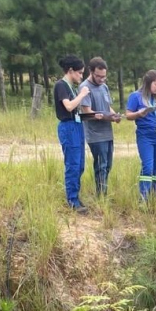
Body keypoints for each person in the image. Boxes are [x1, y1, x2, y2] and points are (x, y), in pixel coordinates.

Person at [125, 70, 156, 202]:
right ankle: (143, 198)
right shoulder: (135, 96)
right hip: (145, 136)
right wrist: (139, 114)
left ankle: (154, 194)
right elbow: (128, 115)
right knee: (148, 166)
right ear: (148, 83)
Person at [54, 55, 91, 213]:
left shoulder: (71, 87)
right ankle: (72, 200)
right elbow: (68, 106)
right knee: (73, 165)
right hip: (68, 127)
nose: (81, 76)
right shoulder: (61, 85)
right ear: (71, 71)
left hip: (77, 126)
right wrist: (82, 95)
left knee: (80, 164)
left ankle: (75, 195)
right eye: (80, 73)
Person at [79, 57, 121, 197]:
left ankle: (103, 192)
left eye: (104, 76)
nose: (102, 79)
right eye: (99, 76)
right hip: (95, 134)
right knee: (101, 166)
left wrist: (114, 116)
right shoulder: (85, 87)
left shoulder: (104, 87)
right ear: (91, 72)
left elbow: (107, 106)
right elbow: (87, 111)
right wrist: (101, 116)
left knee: (108, 164)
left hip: (108, 132)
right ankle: (101, 196)